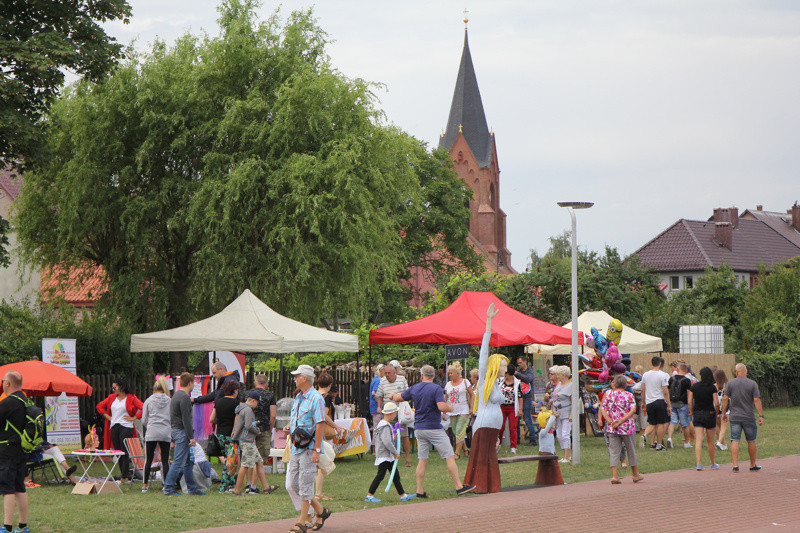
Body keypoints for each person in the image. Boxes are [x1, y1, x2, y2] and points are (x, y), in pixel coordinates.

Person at [391, 365, 474, 498]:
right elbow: (441, 406)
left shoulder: (415, 388)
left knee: (422, 460)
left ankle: (419, 490)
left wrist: (392, 395)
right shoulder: (435, 388)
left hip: (419, 428)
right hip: (434, 427)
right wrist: (450, 408)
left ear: (422, 375)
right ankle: (459, 486)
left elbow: (398, 398)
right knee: (449, 456)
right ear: (434, 376)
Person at [284, 364, 332, 533]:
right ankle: (320, 511)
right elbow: (299, 420)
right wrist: (290, 427)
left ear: (305, 378)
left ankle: (302, 522)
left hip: (308, 449)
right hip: (296, 448)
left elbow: (320, 425)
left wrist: (316, 450)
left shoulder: (316, 398)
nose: (294, 378)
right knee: (291, 485)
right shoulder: (299, 397)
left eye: (297, 375)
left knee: (305, 485)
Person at [463, 303, 505, 494]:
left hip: (493, 425)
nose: (505, 368)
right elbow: (483, 354)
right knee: (481, 457)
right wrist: (489, 323)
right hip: (485, 423)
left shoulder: (496, 384)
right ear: (495, 366)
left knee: (490, 457)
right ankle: (478, 484)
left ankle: (491, 485)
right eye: (503, 365)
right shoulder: (484, 381)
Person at [364, 402, 415, 503]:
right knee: (380, 475)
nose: (396, 415)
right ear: (391, 413)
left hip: (387, 455)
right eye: (395, 413)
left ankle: (403, 495)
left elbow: (386, 438)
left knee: (395, 475)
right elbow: (386, 441)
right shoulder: (385, 426)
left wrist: (394, 437)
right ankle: (369, 495)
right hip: (384, 455)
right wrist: (396, 452)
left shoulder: (384, 425)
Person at [163, 372, 204, 496]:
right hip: (182, 432)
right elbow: (186, 418)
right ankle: (168, 488)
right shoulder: (185, 397)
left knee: (188, 462)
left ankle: (192, 488)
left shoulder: (175, 396)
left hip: (175, 430)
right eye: (193, 384)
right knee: (178, 462)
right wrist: (191, 436)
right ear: (190, 383)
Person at [95, 376, 143, 483]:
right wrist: (108, 417)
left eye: (114, 387)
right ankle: (124, 476)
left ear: (121, 387)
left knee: (124, 452)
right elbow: (99, 406)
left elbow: (144, 407)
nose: (113, 390)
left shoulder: (131, 398)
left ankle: (123, 477)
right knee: (118, 452)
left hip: (126, 426)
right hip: (114, 427)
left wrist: (134, 418)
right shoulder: (112, 398)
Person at [231, 391, 278, 496]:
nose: (257, 406)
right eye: (257, 403)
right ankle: (237, 490)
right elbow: (248, 425)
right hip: (247, 440)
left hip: (248, 440)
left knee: (259, 461)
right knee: (245, 465)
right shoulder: (248, 410)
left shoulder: (242, 408)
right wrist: (257, 431)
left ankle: (266, 487)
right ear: (252, 400)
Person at [599, 374, 644, 484]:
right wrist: (622, 420)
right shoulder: (629, 395)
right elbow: (633, 410)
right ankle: (635, 474)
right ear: (625, 385)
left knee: (614, 451)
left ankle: (615, 476)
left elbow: (603, 408)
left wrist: (610, 421)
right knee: (631, 450)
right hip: (627, 427)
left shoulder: (609, 395)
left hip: (612, 427)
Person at [0, 371, 30, 533]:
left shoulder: (7, 402)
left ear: (8, 383)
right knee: (20, 487)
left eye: (3, 381)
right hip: (22, 450)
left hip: (7, 451)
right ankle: (23, 526)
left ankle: (7, 527)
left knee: (7, 489)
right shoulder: (26, 401)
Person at [721, 364, 764, 473]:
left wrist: (723, 413)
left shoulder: (730, 383)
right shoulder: (752, 384)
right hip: (749, 416)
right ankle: (752, 464)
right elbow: (756, 400)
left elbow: (725, 399)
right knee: (751, 440)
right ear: (746, 371)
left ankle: (735, 465)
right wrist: (761, 415)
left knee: (735, 440)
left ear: (736, 372)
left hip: (735, 417)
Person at [375, 363, 411, 467]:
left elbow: (407, 394)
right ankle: (390, 457)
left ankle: (408, 457)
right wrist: (379, 406)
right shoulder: (382, 381)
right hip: (388, 412)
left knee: (404, 435)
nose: (387, 375)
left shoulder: (402, 379)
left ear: (394, 372)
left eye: (389, 373)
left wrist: (395, 396)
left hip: (400, 411)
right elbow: (380, 396)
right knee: (388, 435)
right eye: (385, 373)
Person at [314, 373, 343, 502]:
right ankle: (318, 492)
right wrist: (335, 426)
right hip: (322, 432)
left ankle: (316, 491)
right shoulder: (325, 398)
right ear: (330, 385)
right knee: (322, 462)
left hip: (312, 431)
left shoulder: (313, 395)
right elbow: (324, 415)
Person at [141, 376, 172, 493]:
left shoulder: (148, 400)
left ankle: (144, 485)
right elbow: (172, 417)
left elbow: (144, 419)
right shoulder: (170, 400)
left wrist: (149, 426)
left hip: (152, 432)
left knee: (148, 459)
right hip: (165, 432)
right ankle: (166, 484)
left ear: (154, 387)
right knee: (165, 460)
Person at [247, 374, 276, 493]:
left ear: (255, 383)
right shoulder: (270, 395)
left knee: (249, 458)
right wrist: (270, 429)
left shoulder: (247, 394)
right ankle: (253, 486)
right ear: (267, 384)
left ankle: (248, 485)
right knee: (260, 459)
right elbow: (273, 415)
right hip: (263, 429)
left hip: (249, 430)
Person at [210, 379, 240, 492]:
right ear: (235, 391)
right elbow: (237, 421)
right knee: (231, 460)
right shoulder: (236, 404)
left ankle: (226, 483)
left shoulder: (218, 402)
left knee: (227, 459)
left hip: (220, 434)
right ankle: (227, 485)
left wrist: (221, 421)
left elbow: (211, 419)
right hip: (231, 435)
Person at [687, 367, 720, 471]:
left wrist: (692, 412)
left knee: (698, 439)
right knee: (710, 441)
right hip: (709, 413)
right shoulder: (712, 387)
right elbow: (716, 403)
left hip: (698, 413)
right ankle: (713, 463)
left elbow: (689, 401)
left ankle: (698, 463)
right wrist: (716, 412)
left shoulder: (694, 387)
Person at [640, 356, 671, 451]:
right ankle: (659, 444)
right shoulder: (663, 375)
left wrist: (643, 402)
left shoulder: (645, 375)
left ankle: (644, 435)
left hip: (650, 402)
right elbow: (665, 391)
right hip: (660, 401)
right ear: (660, 364)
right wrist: (669, 404)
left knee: (652, 423)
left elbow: (642, 389)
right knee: (660, 423)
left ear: (651, 363)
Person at [444, 361, 473, 459]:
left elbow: (472, 395)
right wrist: (444, 411)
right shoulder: (448, 384)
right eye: (449, 373)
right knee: (456, 432)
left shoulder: (465, 382)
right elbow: (446, 398)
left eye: (451, 373)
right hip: (452, 410)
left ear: (457, 373)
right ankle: (465, 450)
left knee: (460, 430)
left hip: (463, 409)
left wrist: (471, 407)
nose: (450, 375)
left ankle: (456, 453)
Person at [666, 363, 693, 449]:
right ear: (686, 371)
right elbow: (689, 395)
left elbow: (668, 391)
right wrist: (690, 407)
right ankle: (686, 442)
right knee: (685, 424)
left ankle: (669, 438)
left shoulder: (671, 379)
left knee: (672, 422)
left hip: (673, 403)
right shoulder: (687, 381)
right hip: (683, 404)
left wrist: (668, 404)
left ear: (678, 370)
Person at [498, 363, 522, 454]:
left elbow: (520, 396)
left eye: (505, 373)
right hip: (502, 406)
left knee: (513, 427)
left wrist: (520, 409)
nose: (504, 375)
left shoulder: (517, 383)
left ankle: (513, 446)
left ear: (509, 373)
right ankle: (498, 443)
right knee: (500, 426)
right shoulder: (500, 381)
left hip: (512, 407)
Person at [552, 366, 573, 463]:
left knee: (565, 434)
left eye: (558, 374)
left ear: (564, 375)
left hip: (567, 411)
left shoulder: (571, 386)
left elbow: (573, 401)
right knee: (559, 435)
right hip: (557, 412)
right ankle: (564, 455)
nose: (557, 376)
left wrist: (571, 415)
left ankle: (567, 456)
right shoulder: (559, 384)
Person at [515, 355, 537, 446]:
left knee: (528, 418)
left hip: (527, 398)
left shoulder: (530, 372)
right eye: (518, 363)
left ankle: (533, 440)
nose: (519, 365)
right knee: (517, 419)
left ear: (525, 362)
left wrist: (517, 374)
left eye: (520, 363)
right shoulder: (519, 372)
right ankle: (517, 439)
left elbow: (528, 379)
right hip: (519, 397)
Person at [714, 369, 729, 451]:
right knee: (723, 426)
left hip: (716, 407)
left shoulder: (714, 386)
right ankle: (719, 442)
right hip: (725, 407)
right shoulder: (727, 385)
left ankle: (722, 443)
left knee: (718, 426)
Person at [369, 364, 385, 430]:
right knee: (377, 427)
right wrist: (380, 402)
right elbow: (374, 393)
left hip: (374, 407)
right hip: (376, 408)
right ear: (381, 371)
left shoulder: (375, 379)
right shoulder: (378, 380)